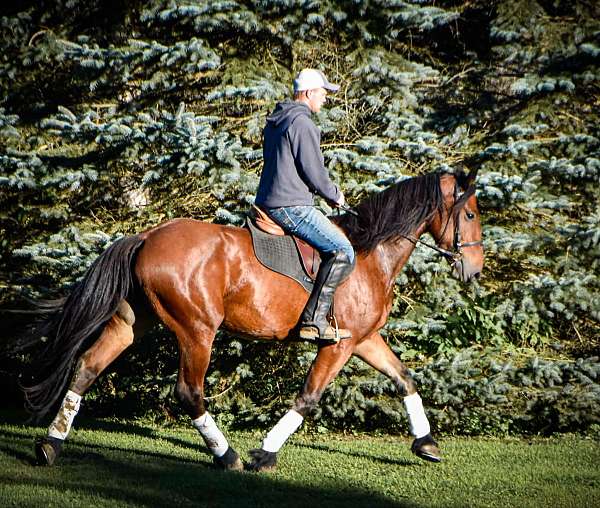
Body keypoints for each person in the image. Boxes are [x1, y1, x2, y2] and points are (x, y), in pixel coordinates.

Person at [255, 68, 355, 343]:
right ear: (309, 92)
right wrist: (334, 194)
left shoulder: (277, 121)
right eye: (323, 93)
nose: (324, 99)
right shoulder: (302, 123)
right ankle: (314, 321)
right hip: (291, 205)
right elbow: (313, 171)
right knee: (343, 250)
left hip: (267, 201)